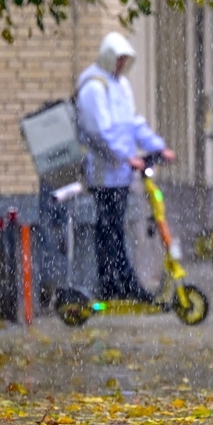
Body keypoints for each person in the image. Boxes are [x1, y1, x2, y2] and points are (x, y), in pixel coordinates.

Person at [76, 31, 175, 301]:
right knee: (110, 230)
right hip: (103, 173)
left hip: (120, 173)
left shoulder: (120, 86)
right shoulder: (94, 88)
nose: (121, 65)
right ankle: (117, 285)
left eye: (124, 60)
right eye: (118, 60)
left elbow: (132, 123)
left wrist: (157, 146)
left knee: (115, 228)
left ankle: (118, 285)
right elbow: (100, 132)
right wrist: (124, 156)